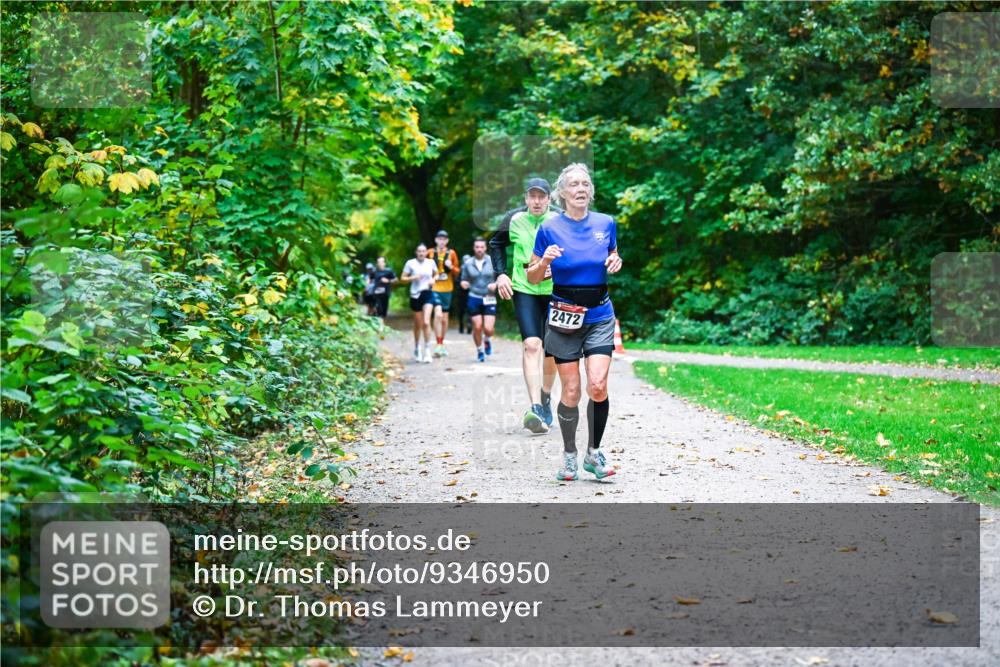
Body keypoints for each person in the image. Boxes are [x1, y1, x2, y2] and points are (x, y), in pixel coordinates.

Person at [526, 163, 622, 481]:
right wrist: (545, 261)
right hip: (564, 316)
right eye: (574, 185)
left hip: (599, 315)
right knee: (571, 390)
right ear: (563, 193)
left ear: (590, 191)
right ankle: (569, 455)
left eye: (585, 184)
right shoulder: (549, 228)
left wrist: (615, 260)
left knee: (597, 386)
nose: (581, 189)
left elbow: (612, 255)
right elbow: (532, 274)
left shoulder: (606, 223)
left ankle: (593, 453)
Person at [489, 178, 562, 434]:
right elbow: (496, 244)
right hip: (525, 289)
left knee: (552, 350)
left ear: (550, 199)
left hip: (556, 291)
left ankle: (545, 395)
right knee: (532, 345)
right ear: (525, 199)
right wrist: (500, 274)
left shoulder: (561, 220)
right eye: (532, 196)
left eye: (542, 196)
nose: (537, 201)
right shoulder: (514, 219)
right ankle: (535, 407)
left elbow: (577, 249)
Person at [460, 238, 497, 362]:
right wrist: (464, 283)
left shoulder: (492, 261)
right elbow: (463, 279)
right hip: (474, 296)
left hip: (489, 297)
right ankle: (480, 350)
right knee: (477, 326)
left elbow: (501, 277)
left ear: (485, 248)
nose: (479, 249)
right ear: (474, 248)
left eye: (482, 247)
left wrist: (495, 285)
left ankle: (487, 339)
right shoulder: (468, 263)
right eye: (477, 247)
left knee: (488, 329)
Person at [401, 243, 436, 363]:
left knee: (426, 322)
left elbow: (436, 274)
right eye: (419, 251)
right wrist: (413, 277)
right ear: (416, 252)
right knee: (418, 324)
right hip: (415, 295)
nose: (421, 253)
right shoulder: (410, 263)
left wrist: (433, 279)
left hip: (427, 293)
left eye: (423, 251)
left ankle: (427, 350)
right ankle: (417, 347)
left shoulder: (431, 262)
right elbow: (403, 278)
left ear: (426, 252)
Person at [427, 230, 460, 357]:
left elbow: (458, 271)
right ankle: (438, 343)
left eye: (444, 239)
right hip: (434, 288)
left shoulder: (451, 253)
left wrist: (451, 267)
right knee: (438, 314)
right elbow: (424, 268)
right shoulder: (430, 253)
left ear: (447, 241)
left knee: (445, 320)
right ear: (436, 240)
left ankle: (441, 343)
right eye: (439, 239)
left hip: (447, 288)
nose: (441, 241)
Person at [456, 253, 471, 335]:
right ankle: (461, 326)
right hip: (461, 293)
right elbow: (457, 281)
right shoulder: (460, 270)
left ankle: (469, 325)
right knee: (461, 311)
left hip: (471, 293)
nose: (466, 261)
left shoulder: (473, 269)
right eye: (465, 260)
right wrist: (461, 284)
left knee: (470, 310)